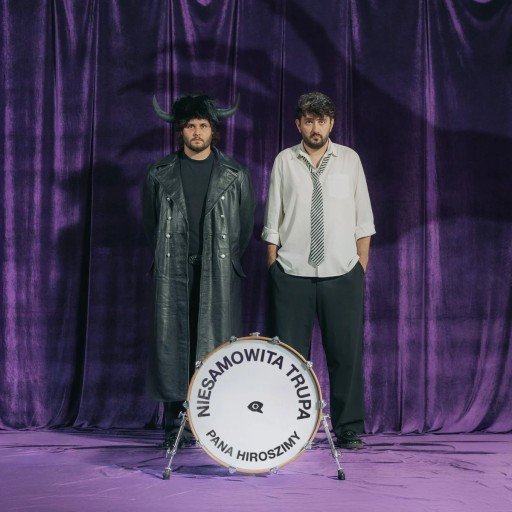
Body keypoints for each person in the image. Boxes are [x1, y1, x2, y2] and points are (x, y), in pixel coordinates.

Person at [262, 92, 375, 449]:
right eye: (309, 120)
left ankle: (348, 428)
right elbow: (273, 220)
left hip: (342, 273)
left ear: (331, 124)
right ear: (298, 124)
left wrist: (359, 266)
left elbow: (364, 219)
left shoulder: (349, 160)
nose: (316, 127)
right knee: (289, 358)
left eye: (322, 121)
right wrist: (273, 264)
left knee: (345, 356)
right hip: (292, 273)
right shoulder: (284, 161)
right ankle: (288, 428)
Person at [143, 94, 256, 448]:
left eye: (203, 125)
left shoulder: (235, 175)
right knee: (175, 345)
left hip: (217, 272)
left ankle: (210, 422)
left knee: (212, 344)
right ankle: (175, 425)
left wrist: (222, 259)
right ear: (181, 130)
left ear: (213, 130)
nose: (196, 132)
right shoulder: (158, 174)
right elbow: (151, 225)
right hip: (174, 269)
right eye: (190, 125)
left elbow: (244, 229)